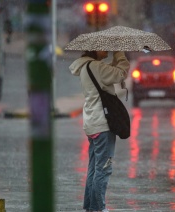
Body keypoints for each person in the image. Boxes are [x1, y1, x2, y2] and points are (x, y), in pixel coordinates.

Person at [69, 51, 130, 212]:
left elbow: (108, 73)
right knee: (103, 168)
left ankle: (90, 207)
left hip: (92, 122)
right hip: (102, 124)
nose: (106, 50)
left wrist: (115, 61)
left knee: (94, 168)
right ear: (95, 50)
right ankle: (99, 208)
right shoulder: (96, 66)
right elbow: (120, 74)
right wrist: (120, 55)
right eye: (103, 48)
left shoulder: (86, 66)